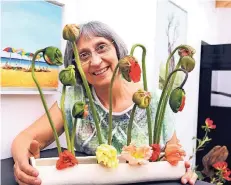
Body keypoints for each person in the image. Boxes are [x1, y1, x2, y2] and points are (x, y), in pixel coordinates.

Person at [11, 21, 197, 185]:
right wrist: (22, 164)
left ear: (118, 50)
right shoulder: (75, 98)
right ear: (75, 65)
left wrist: (186, 169)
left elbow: (174, 154)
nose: (96, 61)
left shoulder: (154, 99)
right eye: (83, 55)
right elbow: (25, 138)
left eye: (101, 47)